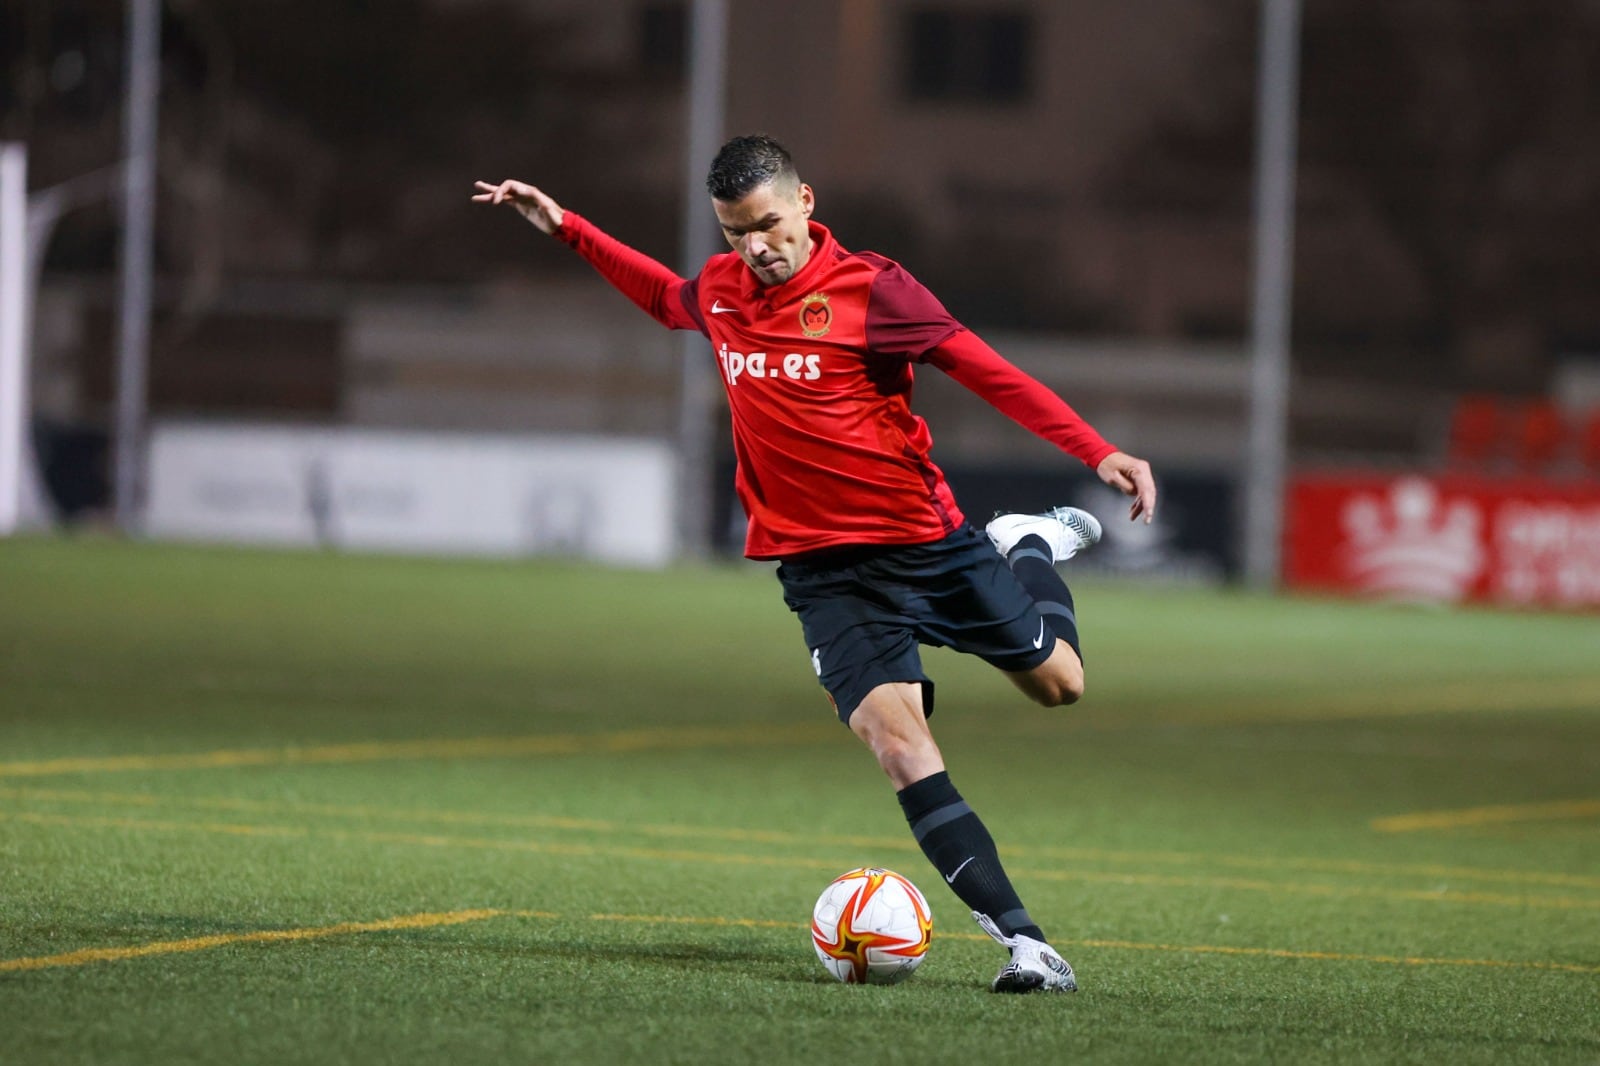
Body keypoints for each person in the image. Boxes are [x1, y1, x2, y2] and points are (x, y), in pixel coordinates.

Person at [474, 135, 1156, 994]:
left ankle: (1026, 542)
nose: (754, 248)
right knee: (898, 745)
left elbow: (987, 371)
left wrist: (1098, 453)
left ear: (805, 203)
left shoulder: (873, 289)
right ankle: (1027, 944)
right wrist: (565, 224)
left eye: (765, 224)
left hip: (925, 545)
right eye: (734, 233)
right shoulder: (724, 289)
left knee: (1061, 686)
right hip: (824, 576)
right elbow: (664, 296)